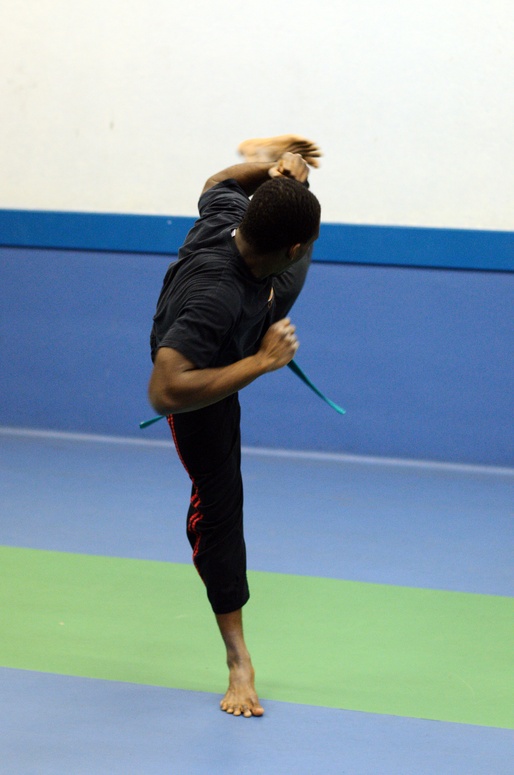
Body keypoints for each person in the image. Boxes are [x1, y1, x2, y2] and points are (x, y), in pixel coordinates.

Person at [148, 135, 322, 717]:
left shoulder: (230, 217)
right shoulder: (213, 298)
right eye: (302, 245)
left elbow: (215, 184)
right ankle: (238, 660)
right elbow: (165, 390)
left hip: (261, 291)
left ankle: (271, 162)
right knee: (220, 507)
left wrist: (271, 171)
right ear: (290, 247)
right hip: (204, 382)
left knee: (300, 198)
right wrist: (260, 362)